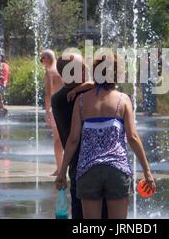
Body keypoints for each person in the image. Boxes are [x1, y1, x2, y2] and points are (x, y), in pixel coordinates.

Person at [55, 54, 156, 219]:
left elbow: (73, 140)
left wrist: (62, 172)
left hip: (88, 169)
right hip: (117, 169)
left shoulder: (81, 101)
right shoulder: (123, 100)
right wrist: (147, 172)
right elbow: (132, 137)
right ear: (117, 75)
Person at [51, 53, 107, 219]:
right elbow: (101, 83)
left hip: (77, 167)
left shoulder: (58, 98)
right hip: (89, 166)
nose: (87, 69)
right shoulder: (79, 96)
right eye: (82, 67)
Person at [41, 49, 64, 176]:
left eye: (41, 59)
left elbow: (48, 94)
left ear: (46, 58)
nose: (42, 62)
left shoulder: (50, 72)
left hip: (56, 108)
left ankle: (60, 168)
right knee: (67, 138)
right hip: (66, 107)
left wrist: (47, 111)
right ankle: (63, 167)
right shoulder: (63, 70)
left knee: (57, 140)